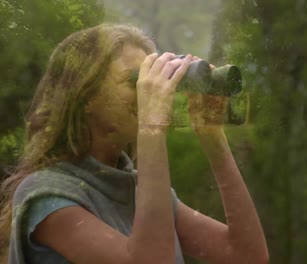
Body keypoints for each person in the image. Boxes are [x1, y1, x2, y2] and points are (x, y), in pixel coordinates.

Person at [0, 24, 269, 264]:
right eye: (135, 80)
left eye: (148, 80)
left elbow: (247, 255)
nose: (146, 92)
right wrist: (152, 126)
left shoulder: (140, 191)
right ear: (85, 97)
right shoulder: (45, 196)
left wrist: (212, 136)